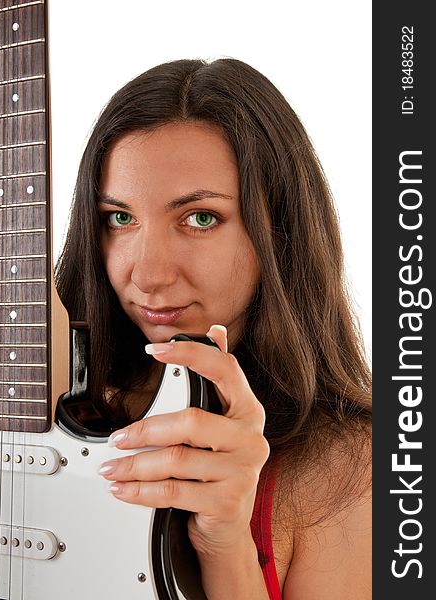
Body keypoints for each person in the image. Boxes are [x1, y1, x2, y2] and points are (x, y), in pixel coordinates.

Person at [55, 58, 372, 599]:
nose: (148, 274)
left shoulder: (352, 469)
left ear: (281, 231)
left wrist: (224, 543)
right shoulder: (28, 418)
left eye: (200, 217)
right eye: (119, 218)